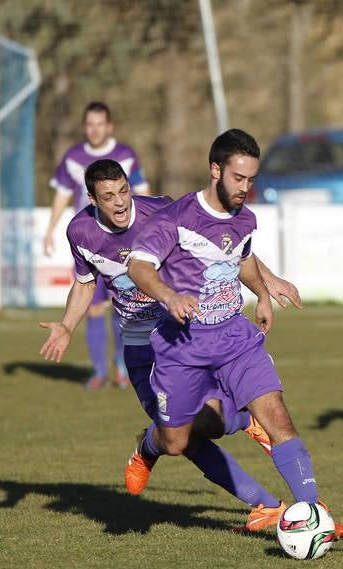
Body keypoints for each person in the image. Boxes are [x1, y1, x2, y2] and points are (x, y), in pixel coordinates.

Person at [38, 158, 305, 532]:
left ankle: (266, 496)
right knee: (179, 442)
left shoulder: (161, 211)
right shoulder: (80, 231)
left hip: (182, 335)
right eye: (108, 196)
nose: (119, 203)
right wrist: (67, 325)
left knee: (207, 426)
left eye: (123, 192)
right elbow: (85, 283)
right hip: (139, 346)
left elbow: (221, 244)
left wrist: (269, 278)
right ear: (92, 199)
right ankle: (156, 447)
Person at [125, 129, 343, 538]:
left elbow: (240, 257)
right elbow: (139, 267)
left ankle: (314, 515)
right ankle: (148, 446)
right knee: (178, 441)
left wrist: (264, 290)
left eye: (251, 179)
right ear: (216, 170)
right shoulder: (176, 218)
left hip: (234, 337)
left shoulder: (246, 218)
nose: (246, 188)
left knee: (277, 416)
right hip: (183, 346)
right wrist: (169, 295)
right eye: (238, 178)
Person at [44, 102, 150, 391]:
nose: (95, 129)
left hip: (125, 244)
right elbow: (62, 195)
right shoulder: (73, 157)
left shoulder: (125, 156)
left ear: (109, 126)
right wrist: (51, 229)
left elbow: (143, 193)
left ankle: (121, 365)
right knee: (91, 307)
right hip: (91, 246)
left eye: (100, 123)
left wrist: (151, 231)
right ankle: (99, 370)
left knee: (123, 306)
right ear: (84, 127)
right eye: (90, 124)